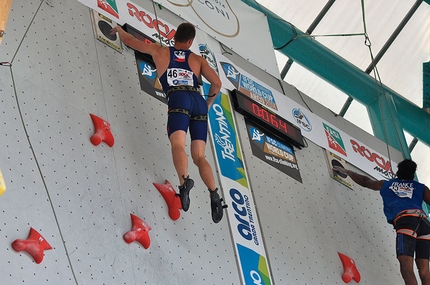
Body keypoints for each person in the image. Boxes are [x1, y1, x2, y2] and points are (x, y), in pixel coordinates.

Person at [111, 22, 225, 223]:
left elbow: (130, 41)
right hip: (198, 101)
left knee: (178, 145)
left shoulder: (160, 51)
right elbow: (217, 83)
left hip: (178, 99)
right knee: (199, 156)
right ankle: (214, 193)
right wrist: (207, 104)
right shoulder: (197, 59)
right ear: (190, 41)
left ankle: (184, 183)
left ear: (174, 37)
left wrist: (120, 30)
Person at [333, 159, 430, 285]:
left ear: (398, 172)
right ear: (412, 175)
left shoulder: (387, 184)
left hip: (407, 221)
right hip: (424, 224)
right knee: (424, 271)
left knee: (406, 268)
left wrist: (347, 171)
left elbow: (365, 181)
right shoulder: (421, 187)